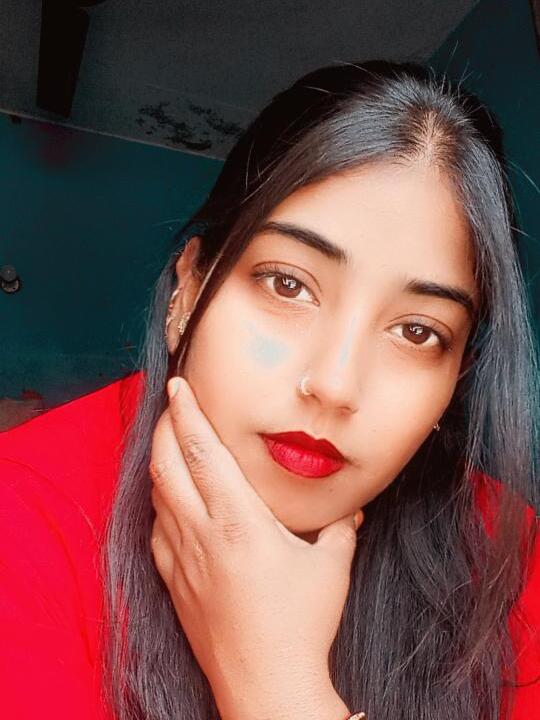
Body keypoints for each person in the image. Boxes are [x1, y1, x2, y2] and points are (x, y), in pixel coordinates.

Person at [0, 60, 539, 720]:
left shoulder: (507, 553)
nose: (335, 385)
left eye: (418, 331)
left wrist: (275, 686)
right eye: (288, 285)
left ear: (455, 378)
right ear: (188, 290)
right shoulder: (21, 517)